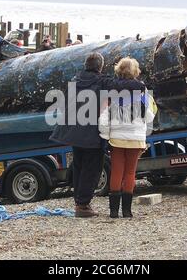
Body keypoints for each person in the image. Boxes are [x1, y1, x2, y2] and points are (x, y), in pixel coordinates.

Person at [50, 53, 145, 218]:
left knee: (78, 166)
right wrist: (140, 84)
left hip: (74, 132)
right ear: (100, 66)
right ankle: (83, 205)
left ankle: (79, 202)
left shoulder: (75, 79)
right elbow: (128, 87)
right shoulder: (102, 81)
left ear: (86, 65)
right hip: (92, 134)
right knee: (92, 169)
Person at [99, 57, 157, 218]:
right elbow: (149, 115)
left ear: (119, 70)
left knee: (116, 171)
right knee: (130, 172)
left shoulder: (112, 90)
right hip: (136, 136)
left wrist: (105, 133)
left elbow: (104, 114)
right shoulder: (142, 89)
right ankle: (127, 211)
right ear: (135, 71)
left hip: (117, 136)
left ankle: (113, 212)